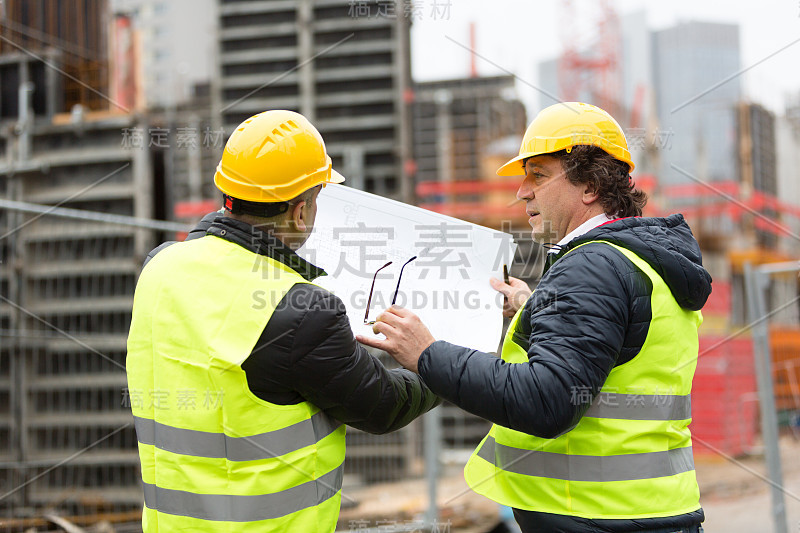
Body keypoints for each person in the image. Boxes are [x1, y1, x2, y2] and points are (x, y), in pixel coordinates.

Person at [358, 102, 712, 533]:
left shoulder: (591, 267)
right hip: (643, 512)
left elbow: (548, 400)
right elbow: (615, 351)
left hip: (596, 518)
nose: (522, 191)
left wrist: (428, 353)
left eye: (539, 175)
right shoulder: (640, 260)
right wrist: (535, 307)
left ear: (590, 187)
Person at [126, 110, 439, 532]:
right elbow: (382, 406)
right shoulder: (303, 310)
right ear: (298, 212)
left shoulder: (159, 268)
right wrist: (440, 360)